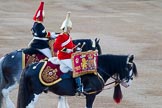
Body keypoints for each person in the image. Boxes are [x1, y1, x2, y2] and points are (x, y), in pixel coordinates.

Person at [53, 12, 83, 94]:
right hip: (63, 57)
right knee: (76, 69)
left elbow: (71, 45)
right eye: (69, 28)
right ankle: (79, 88)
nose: (70, 29)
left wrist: (76, 48)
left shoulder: (68, 36)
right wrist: (66, 50)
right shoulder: (61, 36)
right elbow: (56, 46)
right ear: (66, 28)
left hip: (68, 57)